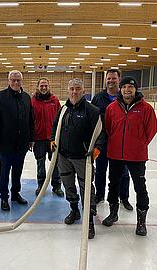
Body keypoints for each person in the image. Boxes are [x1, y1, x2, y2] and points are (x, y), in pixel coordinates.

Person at [102, 76, 157, 236]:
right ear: (120, 89)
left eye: (130, 87)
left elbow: (151, 129)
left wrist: (139, 144)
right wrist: (115, 142)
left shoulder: (146, 108)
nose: (127, 90)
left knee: (140, 187)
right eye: (124, 86)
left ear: (136, 89)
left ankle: (141, 221)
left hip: (137, 155)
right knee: (113, 184)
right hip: (115, 154)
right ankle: (113, 213)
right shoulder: (112, 108)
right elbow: (108, 128)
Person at [51, 78, 105, 240]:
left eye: (78, 89)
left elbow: (101, 132)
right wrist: (52, 139)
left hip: (82, 157)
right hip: (64, 156)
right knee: (68, 185)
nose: (74, 92)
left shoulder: (92, 110)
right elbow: (55, 127)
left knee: (86, 188)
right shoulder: (63, 109)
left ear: (83, 91)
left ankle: (89, 221)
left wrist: (97, 148)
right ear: (68, 91)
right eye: (72, 89)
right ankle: (74, 209)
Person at [0, 70, 35, 211]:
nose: (16, 82)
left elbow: (31, 120)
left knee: (18, 171)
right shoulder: (0, 97)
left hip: (21, 144)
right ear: (8, 81)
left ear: (22, 81)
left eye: (18, 80)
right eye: (13, 80)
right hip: (4, 144)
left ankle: (15, 194)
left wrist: (31, 139)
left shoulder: (27, 97)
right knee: (4, 171)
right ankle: (4, 197)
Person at [91, 69, 133, 211]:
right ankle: (99, 195)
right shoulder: (98, 98)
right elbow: (93, 119)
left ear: (119, 80)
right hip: (102, 142)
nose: (111, 81)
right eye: (108, 78)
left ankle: (124, 197)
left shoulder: (126, 97)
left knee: (123, 172)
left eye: (114, 78)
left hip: (120, 143)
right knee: (100, 170)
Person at [31, 77, 64, 197]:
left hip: (52, 139)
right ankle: (41, 185)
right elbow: (30, 120)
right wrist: (31, 138)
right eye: (41, 86)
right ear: (38, 87)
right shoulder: (32, 101)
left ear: (49, 87)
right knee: (40, 163)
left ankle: (56, 186)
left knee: (55, 163)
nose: (44, 88)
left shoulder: (54, 100)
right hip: (38, 139)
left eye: (46, 86)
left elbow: (61, 118)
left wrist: (59, 137)